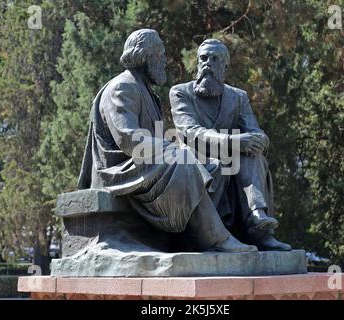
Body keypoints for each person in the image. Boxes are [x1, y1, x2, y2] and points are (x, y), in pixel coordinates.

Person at [77, 29, 256, 253]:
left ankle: (194, 238)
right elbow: (128, 139)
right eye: (160, 55)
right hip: (118, 171)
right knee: (184, 159)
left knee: (214, 165)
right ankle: (215, 238)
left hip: (141, 166)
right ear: (145, 56)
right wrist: (173, 150)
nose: (164, 62)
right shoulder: (122, 87)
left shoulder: (145, 91)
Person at [169, 39, 292, 251]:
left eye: (214, 59)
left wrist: (258, 140)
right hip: (194, 160)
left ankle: (258, 223)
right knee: (225, 160)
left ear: (225, 66)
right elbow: (190, 132)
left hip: (230, 163)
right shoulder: (181, 92)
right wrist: (235, 141)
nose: (207, 63)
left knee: (253, 155)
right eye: (203, 58)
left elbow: (254, 131)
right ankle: (204, 234)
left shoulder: (238, 97)